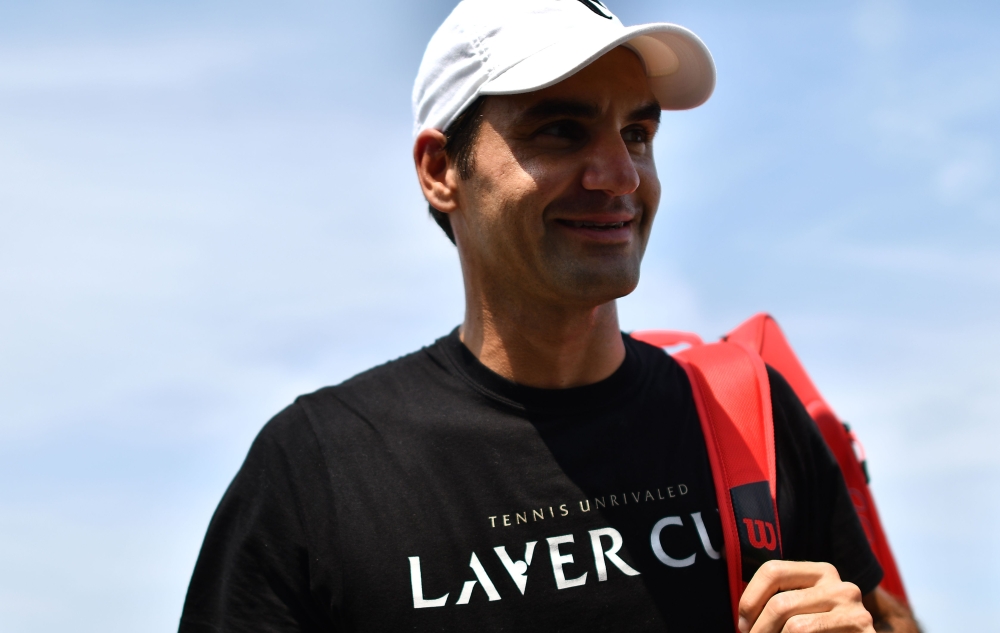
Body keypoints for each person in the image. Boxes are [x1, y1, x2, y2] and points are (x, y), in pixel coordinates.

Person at [179, 1, 920, 631]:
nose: (621, 175)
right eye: (562, 131)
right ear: (442, 171)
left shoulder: (749, 414)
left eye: (637, 133)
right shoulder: (319, 470)